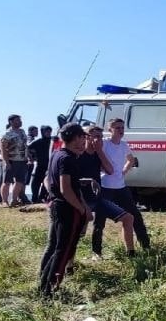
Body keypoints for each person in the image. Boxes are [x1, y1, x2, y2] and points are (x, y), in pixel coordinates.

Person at [38, 123, 91, 296]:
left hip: (56, 205)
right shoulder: (67, 158)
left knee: (54, 246)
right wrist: (82, 209)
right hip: (67, 208)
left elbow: (48, 180)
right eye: (82, 138)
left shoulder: (57, 154)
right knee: (64, 249)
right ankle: (50, 290)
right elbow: (66, 189)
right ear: (74, 138)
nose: (83, 142)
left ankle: (43, 284)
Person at [93, 117, 150, 256]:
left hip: (121, 187)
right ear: (110, 129)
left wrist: (124, 171)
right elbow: (95, 158)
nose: (120, 130)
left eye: (122, 128)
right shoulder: (104, 144)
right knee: (100, 221)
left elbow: (131, 159)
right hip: (105, 186)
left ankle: (146, 247)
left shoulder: (124, 145)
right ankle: (96, 252)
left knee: (135, 215)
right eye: (117, 128)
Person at [0, 115, 30, 208]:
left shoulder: (22, 132)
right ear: (11, 122)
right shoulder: (7, 134)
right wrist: (6, 162)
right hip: (11, 160)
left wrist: (28, 157)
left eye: (20, 120)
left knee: (19, 181)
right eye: (17, 120)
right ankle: (4, 201)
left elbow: (25, 145)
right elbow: (3, 149)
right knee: (7, 182)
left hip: (22, 160)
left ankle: (14, 200)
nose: (20, 122)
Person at [28, 125, 52, 203]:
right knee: (35, 182)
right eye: (46, 131)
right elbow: (27, 148)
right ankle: (34, 198)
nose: (48, 133)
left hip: (49, 165)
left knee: (47, 182)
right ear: (43, 132)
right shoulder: (38, 141)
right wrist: (31, 158)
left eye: (49, 131)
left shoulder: (52, 141)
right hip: (39, 164)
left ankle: (42, 197)